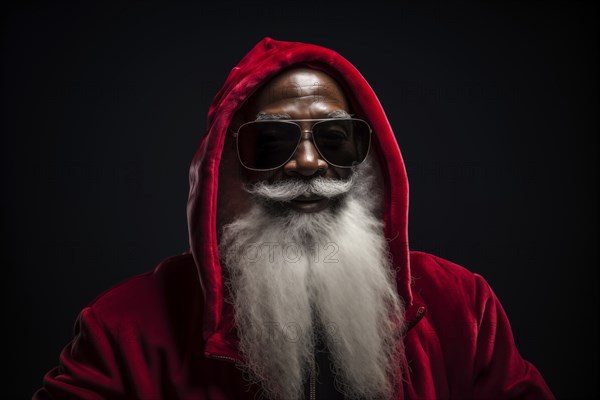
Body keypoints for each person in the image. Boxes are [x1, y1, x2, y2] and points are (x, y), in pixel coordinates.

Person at [34, 37, 555, 400]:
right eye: (271, 141)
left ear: (369, 160)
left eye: (334, 139)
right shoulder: (123, 327)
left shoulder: (462, 306)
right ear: (224, 167)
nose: (308, 163)